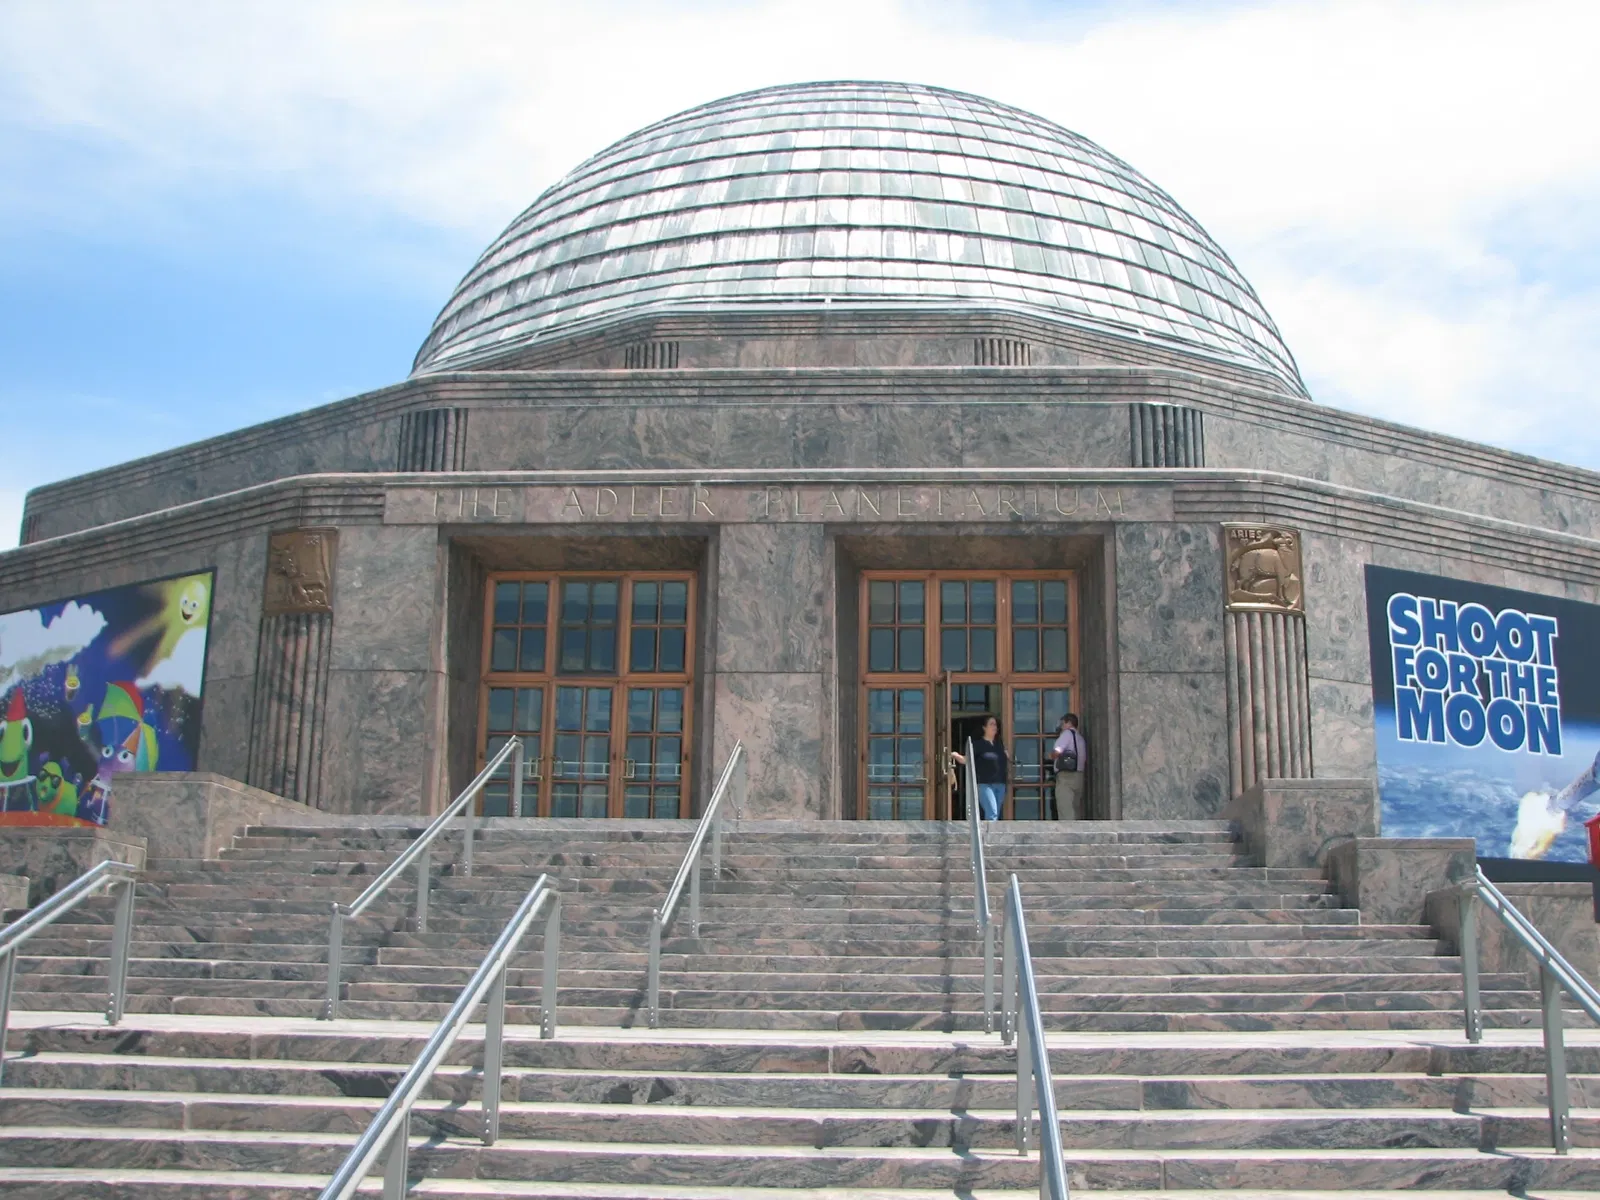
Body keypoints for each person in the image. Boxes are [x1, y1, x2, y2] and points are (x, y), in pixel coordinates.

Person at [951, 715, 1008, 821]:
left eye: (995, 724)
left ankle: (989, 835)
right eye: (991, 724)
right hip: (984, 784)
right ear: (984, 728)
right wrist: (955, 755)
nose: (994, 726)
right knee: (992, 813)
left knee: (996, 814)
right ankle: (989, 837)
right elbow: (967, 759)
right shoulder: (978, 744)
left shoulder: (999, 744)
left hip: (1000, 784)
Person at [1050, 712, 1086, 821]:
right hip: (1079, 775)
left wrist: (1050, 756)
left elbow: (1057, 751)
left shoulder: (1067, 734)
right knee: (1075, 809)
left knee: (1065, 810)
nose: (1061, 726)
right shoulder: (1080, 738)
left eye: (1063, 723)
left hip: (1066, 776)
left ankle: (1068, 836)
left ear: (1069, 723)